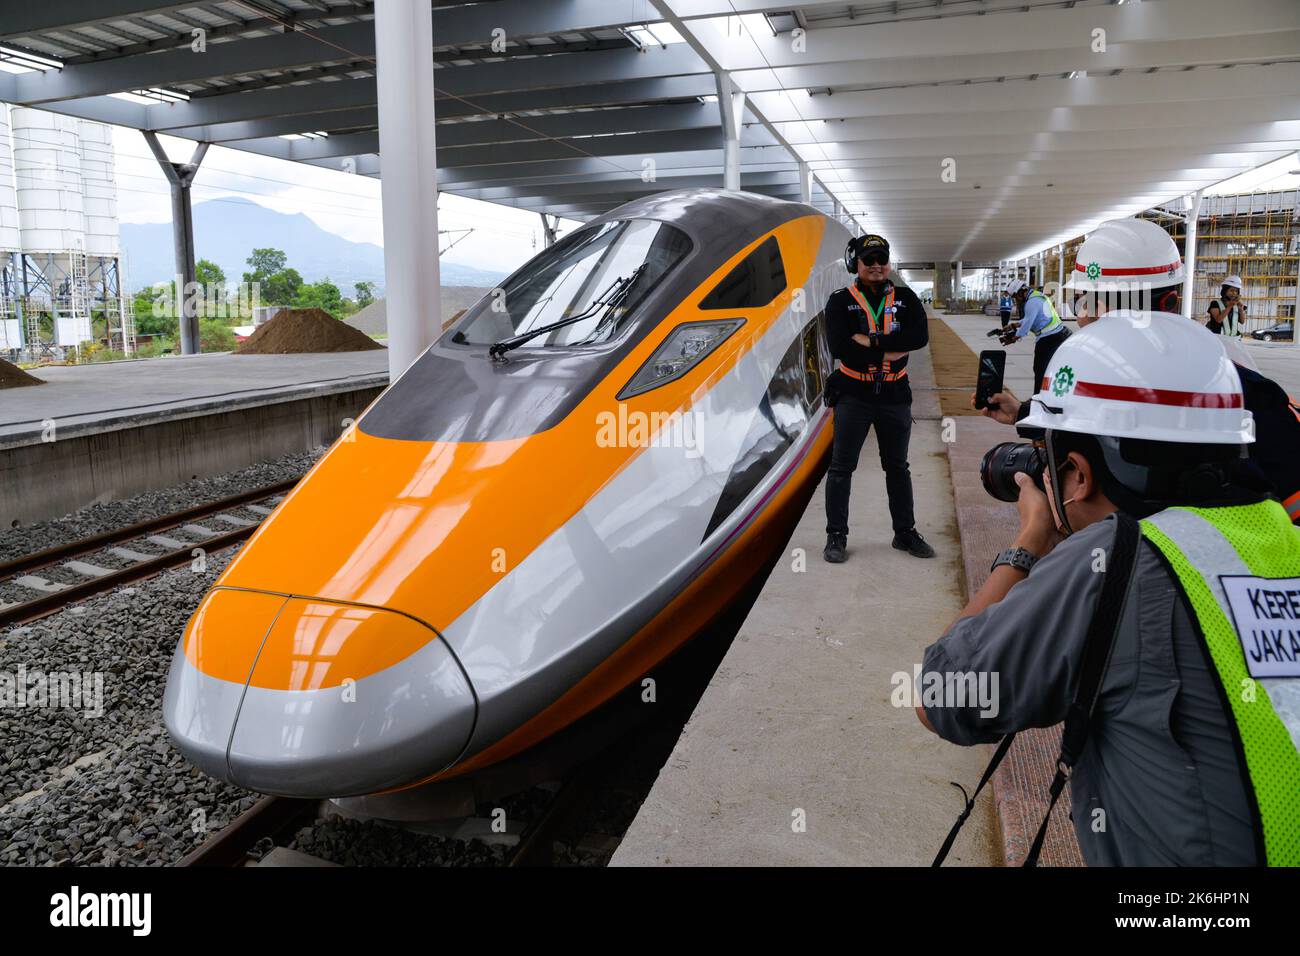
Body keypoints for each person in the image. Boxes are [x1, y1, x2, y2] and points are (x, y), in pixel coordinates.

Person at [921, 312, 1300, 865]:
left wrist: (1030, 539)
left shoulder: (1115, 561)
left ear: (1077, 473)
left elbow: (943, 697)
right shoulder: (1280, 534)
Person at [980, 218, 1300, 524]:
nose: (1083, 319)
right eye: (1082, 303)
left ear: (1169, 304)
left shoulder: (1240, 390)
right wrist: (1023, 411)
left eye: (1099, 306)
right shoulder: (1217, 381)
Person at [823, 234, 934, 563]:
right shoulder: (840, 301)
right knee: (842, 468)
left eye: (881, 259)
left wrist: (870, 342)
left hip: (895, 395)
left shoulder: (906, 297)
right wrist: (892, 346)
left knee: (898, 467)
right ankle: (836, 536)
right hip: (853, 395)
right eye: (868, 259)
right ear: (854, 264)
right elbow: (841, 348)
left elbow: (920, 337)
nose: (876, 265)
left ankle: (904, 533)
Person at [999, 277, 1069, 395]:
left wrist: (1012, 338)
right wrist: (1014, 325)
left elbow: (1027, 326)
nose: (1016, 300)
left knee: (1040, 370)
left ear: (1020, 292)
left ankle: (1038, 398)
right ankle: (1044, 395)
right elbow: (1030, 318)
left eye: (1015, 297)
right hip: (1058, 334)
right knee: (1047, 368)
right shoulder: (1036, 296)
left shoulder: (1031, 302)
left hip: (1049, 338)